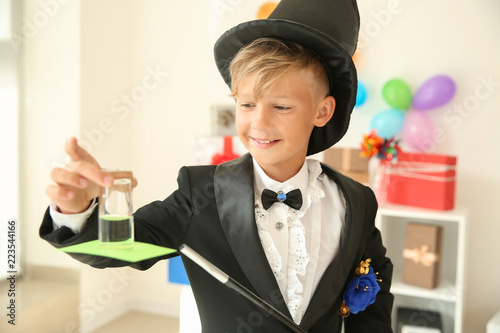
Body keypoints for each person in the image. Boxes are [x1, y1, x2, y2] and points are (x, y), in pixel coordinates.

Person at [40, 0, 394, 331]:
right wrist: (76, 211)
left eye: (281, 107)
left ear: (322, 111)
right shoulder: (201, 194)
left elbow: (374, 303)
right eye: (247, 104)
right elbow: (118, 249)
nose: (259, 123)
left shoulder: (357, 202)